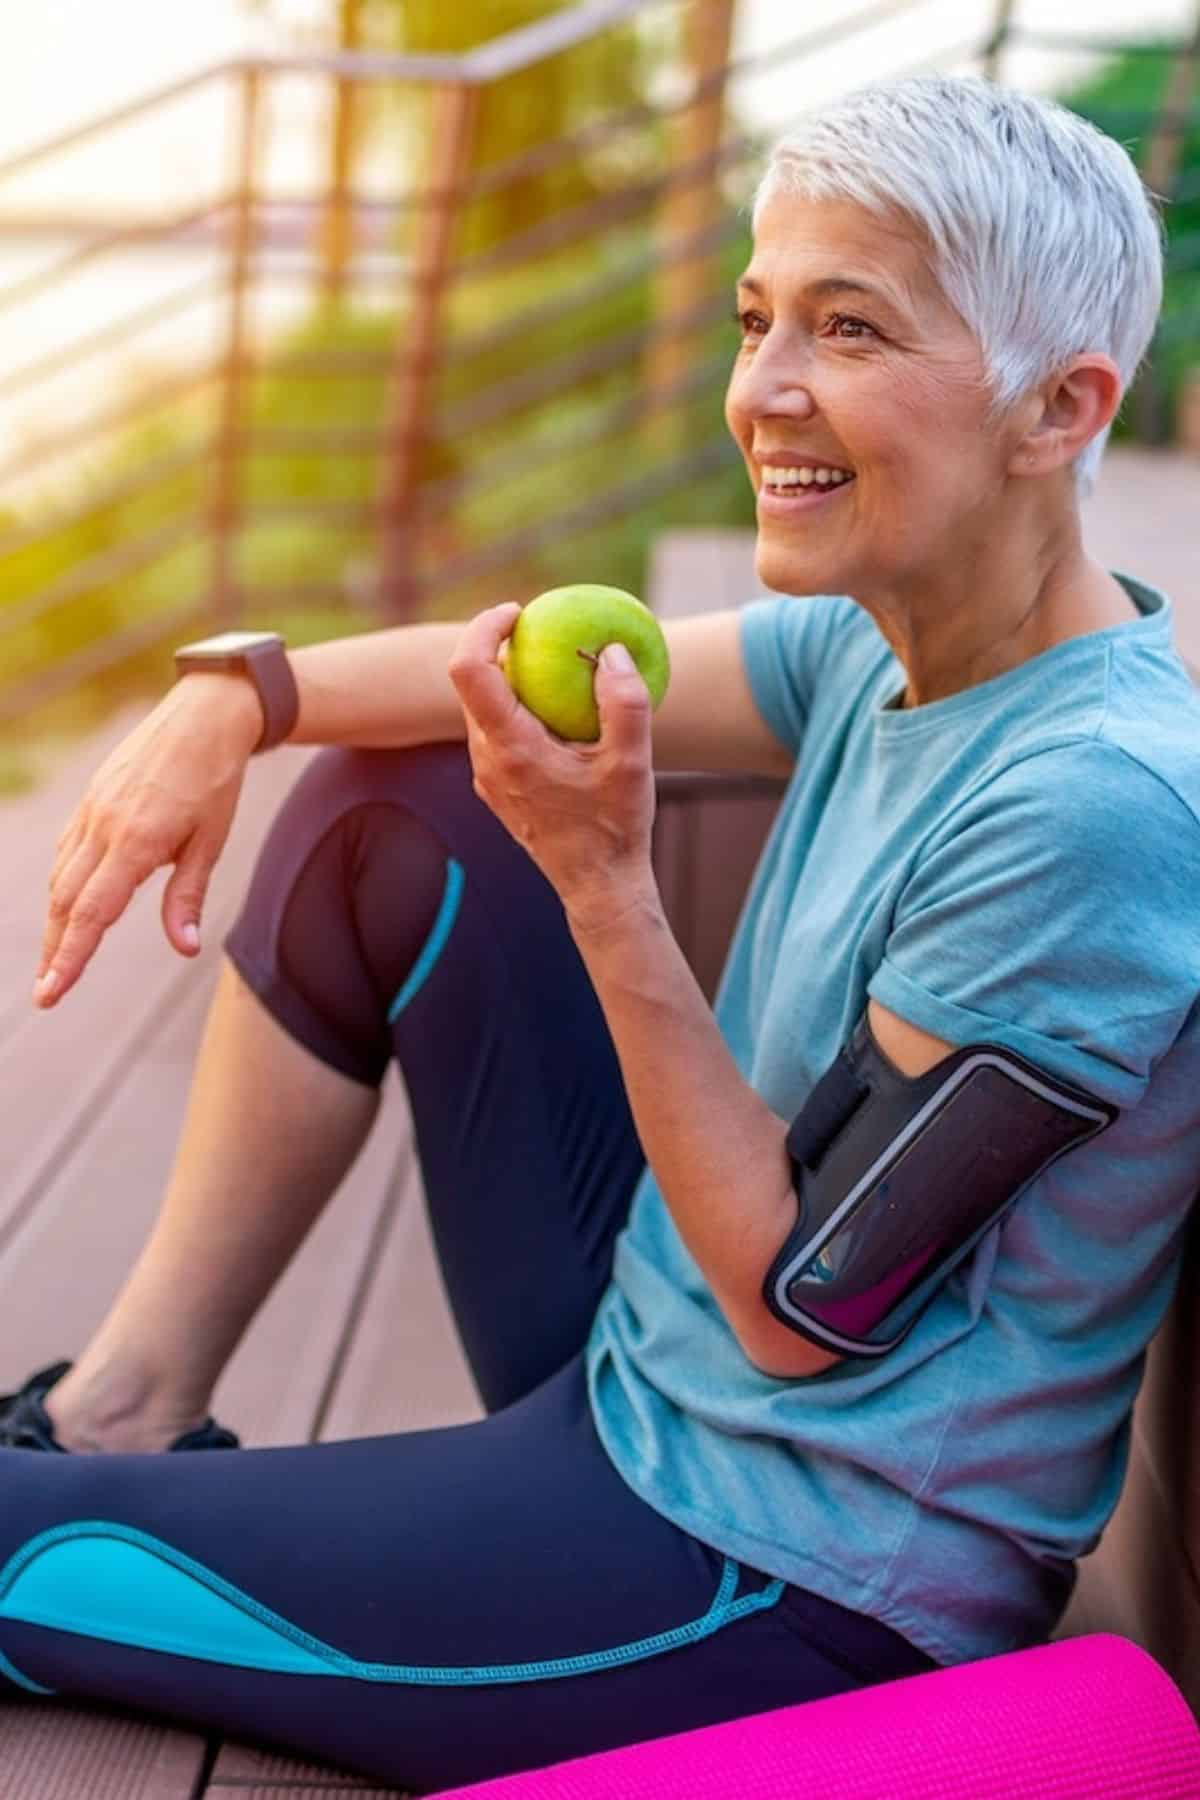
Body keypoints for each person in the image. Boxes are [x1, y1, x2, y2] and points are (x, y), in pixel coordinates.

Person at [2, 71, 1198, 1791]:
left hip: (776, 1577)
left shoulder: (1091, 811)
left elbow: (805, 1308)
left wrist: (606, 885)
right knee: (387, 809)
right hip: (642, 1368)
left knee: (16, 1553)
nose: (762, 391)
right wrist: (238, 694)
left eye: (848, 331)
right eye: (756, 315)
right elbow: (483, 676)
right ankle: (122, 1410)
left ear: (1058, 408)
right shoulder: (893, 636)